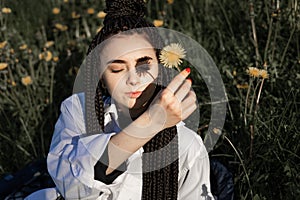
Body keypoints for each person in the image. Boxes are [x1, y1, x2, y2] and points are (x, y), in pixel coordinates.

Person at [25, 0, 214, 199]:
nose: (133, 79)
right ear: (101, 77)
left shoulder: (187, 145)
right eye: (117, 69)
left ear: (160, 67)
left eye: (143, 66)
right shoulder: (78, 110)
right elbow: (73, 188)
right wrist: (150, 123)